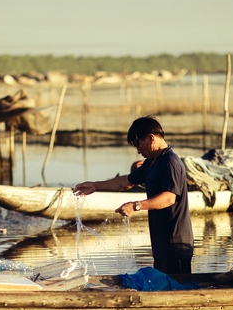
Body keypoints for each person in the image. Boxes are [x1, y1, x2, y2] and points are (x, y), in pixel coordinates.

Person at [73, 116, 193, 274]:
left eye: (138, 144)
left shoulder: (171, 162)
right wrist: (95, 185)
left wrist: (136, 206)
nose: (138, 150)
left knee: (176, 290)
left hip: (176, 243)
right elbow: (126, 182)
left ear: (151, 138)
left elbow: (169, 198)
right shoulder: (152, 162)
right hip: (161, 242)